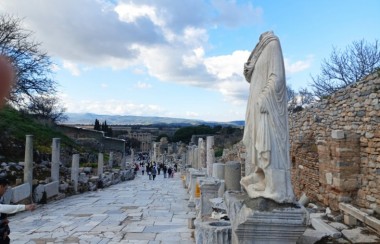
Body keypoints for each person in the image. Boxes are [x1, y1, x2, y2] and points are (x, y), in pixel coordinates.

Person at [240, 31, 295, 203]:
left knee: (268, 143)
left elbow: (277, 77)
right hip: (256, 107)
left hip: (266, 105)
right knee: (257, 143)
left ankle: (275, 187)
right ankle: (260, 176)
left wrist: (265, 96)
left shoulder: (272, 44)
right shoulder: (259, 52)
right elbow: (252, 77)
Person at [0, 176, 36, 243]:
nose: (5, 191)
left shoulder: (1, 198)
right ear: (1, 186)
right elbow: (2, 208)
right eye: (5, 189)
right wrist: (25, 207)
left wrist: (5, 229)